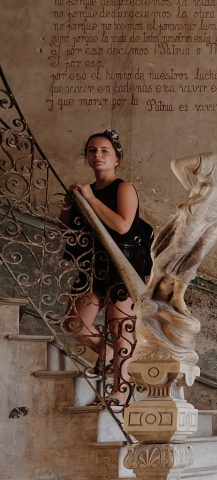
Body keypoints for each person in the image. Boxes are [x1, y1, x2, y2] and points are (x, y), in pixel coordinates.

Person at [62, 130, 153, 406]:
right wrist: (71, 202)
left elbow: (123, 226)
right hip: (95, 267)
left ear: (117, 159)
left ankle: (120, 393)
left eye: (104, 151)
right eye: (92, 150)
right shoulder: (87, 189)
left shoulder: (122, 187)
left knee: (120, 330)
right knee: (74, 322)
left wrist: (90, 199)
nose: (97, 155)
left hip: (123, 267)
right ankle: (109, 355)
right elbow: (69, 227)